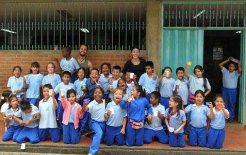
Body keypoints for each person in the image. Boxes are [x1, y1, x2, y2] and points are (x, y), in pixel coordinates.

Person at [83, 87, 106, 155]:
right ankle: (91, 153)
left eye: (99, 92)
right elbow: (86, 109)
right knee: (99, 133)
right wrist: (85, 106)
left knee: (100, 139)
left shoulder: (106, 102)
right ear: (93, 95)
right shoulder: (92, 103)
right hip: (94, 123)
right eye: (95, 92)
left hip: (104, 123)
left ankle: (92, 135)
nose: (97, 94)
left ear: (102, 94)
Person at [219, 57, 242, 122]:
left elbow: (240, 70)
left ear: (234, 68)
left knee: (232, 103)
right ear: (228, 67)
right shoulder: (225, 71)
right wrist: (227, 60)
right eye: (230, 66)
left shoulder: (236, 73)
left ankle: (231, 117)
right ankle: (226, 117)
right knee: (224, 103)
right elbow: (220, 65)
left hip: (232, 91)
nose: (231, 67)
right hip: (225, 89)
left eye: (232, 66)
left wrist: (238, 63)